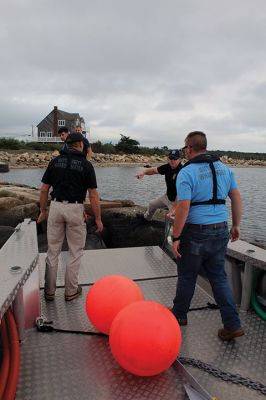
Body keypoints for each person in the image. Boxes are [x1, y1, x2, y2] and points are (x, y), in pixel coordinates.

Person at [171, 131, 244, 341]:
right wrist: (236, 225)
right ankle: (232, 324)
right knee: (219, 277)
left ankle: (179, 316)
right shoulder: (225, 169)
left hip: (195, 232)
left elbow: (183, 207)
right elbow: (236, 197)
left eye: (185, 147)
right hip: (220, 230)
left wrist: (176, 237)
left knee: (187, 275)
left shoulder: (187, 172)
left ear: (189, 148)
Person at [37, 132, 103, 302]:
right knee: (75, 251)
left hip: (56, 207)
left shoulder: (54, 162)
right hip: (75, 209)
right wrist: (98, 219)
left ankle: (49, 292)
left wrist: (43, 211)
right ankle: (70, 292)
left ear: (67, 144)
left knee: (53, 251)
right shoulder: (86, 165)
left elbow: (44, 189)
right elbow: (93, 195)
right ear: (80, 144)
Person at [135, 149, 182, 221]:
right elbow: (153, 170)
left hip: (177, 201)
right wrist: (143, 172)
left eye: (174, 159)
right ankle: (146, 219)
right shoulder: (167, 167)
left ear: (179, 159)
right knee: (152, 204)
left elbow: (180, 193)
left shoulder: (182, 171)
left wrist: (174, 208)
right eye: (170, 158)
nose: (172, 160)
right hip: (167, 197)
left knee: (173, 219)